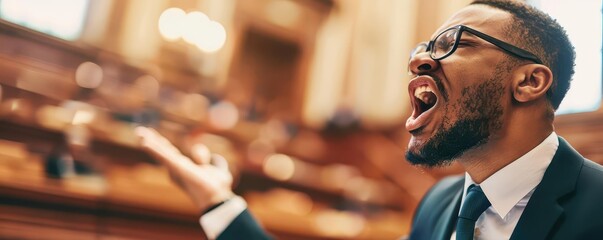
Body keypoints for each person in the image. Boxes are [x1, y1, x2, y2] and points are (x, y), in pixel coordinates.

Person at [136, 0, 603, 239]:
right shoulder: (442, 204)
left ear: (529, 82)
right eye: (421, 47)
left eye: (453, 42)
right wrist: (221, 204)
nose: (420, 60)